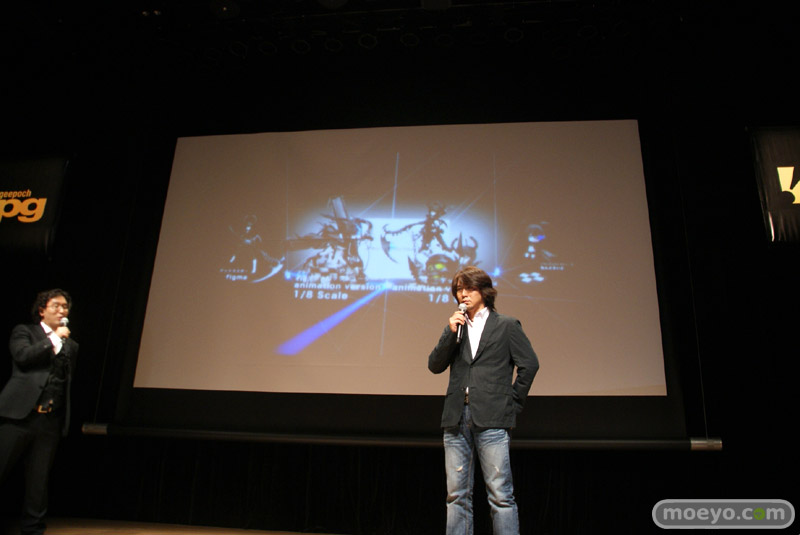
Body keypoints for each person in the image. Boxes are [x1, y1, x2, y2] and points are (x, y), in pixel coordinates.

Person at [428, 267, 539, 535]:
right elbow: (435, 365)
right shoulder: (457, 327)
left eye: (469, 288)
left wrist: (511, 403)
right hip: (456, 418)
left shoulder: (506, 326)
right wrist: (449, 331)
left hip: (492, 418)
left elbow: (529, 365)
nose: (463, 294)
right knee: (456, 495)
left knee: (500, 495)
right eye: (458, 289)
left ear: (484, 291)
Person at [0, 289, 78, 535]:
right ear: (42, 310)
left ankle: (33, 529)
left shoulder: (71, 346)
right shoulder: (25, 332)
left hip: (49, 420)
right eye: (56, 305)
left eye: (65, 307)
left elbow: (63, 381)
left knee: (38, 480)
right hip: (19, 416)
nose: (62, 311)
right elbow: (22, 357)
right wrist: (53, 338)